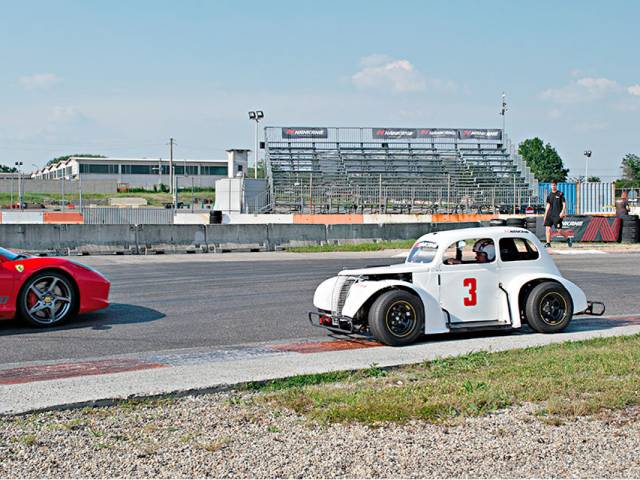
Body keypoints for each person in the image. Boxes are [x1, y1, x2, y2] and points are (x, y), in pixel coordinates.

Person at [544, 181, 573, 248]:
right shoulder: (549, 195)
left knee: (559, 230)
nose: (553, 186)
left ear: (556, 186)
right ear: (551, 186)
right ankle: (548, 243)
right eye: (552, 185)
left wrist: (562, 212)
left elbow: (564, 204)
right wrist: (545, 214)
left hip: (557, 215)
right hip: (550, 215)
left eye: (554, 185)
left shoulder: (560, 194)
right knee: (547, 229)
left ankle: (568, 238)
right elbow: (548, 205)